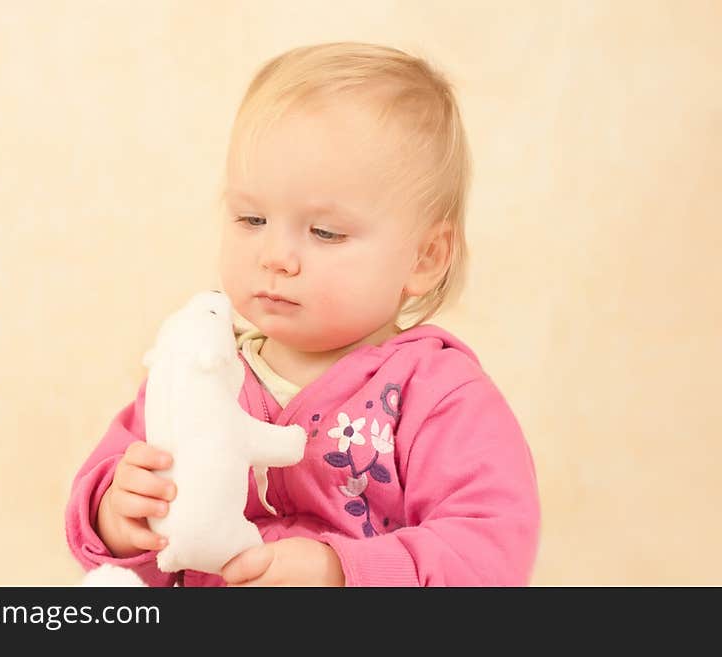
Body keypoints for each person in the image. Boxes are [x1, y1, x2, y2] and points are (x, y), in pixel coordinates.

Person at [65, 42, 540, 586]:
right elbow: (114, 522)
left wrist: (343, 574)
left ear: (425, 257)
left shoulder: (438, 397)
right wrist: (120, 518)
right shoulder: (197, 370)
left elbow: (490, 553)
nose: (275, 257)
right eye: (250, 219)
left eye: (324, 232)